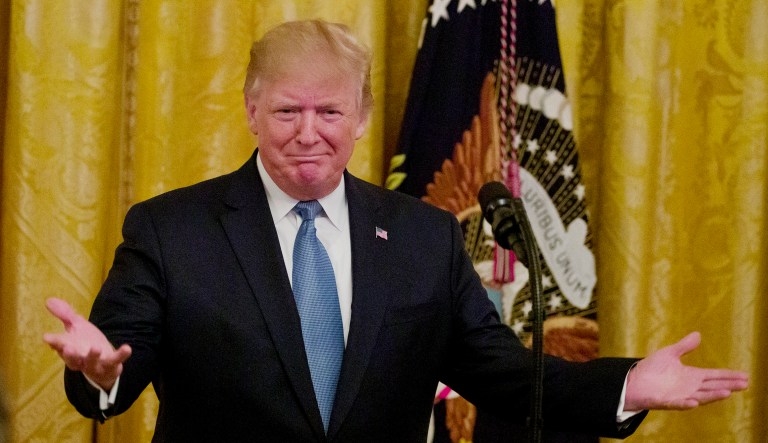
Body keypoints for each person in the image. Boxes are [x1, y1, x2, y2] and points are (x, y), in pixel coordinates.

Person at [43, 20, 748, 442]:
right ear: (252, 111)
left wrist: (627, 385)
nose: (309, 133)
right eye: (287, 111)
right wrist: (101, 372)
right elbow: (112, 364)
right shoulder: (171, 229)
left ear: (362, 117)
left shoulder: (423, 237)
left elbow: (503, 375)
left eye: (330, 111)